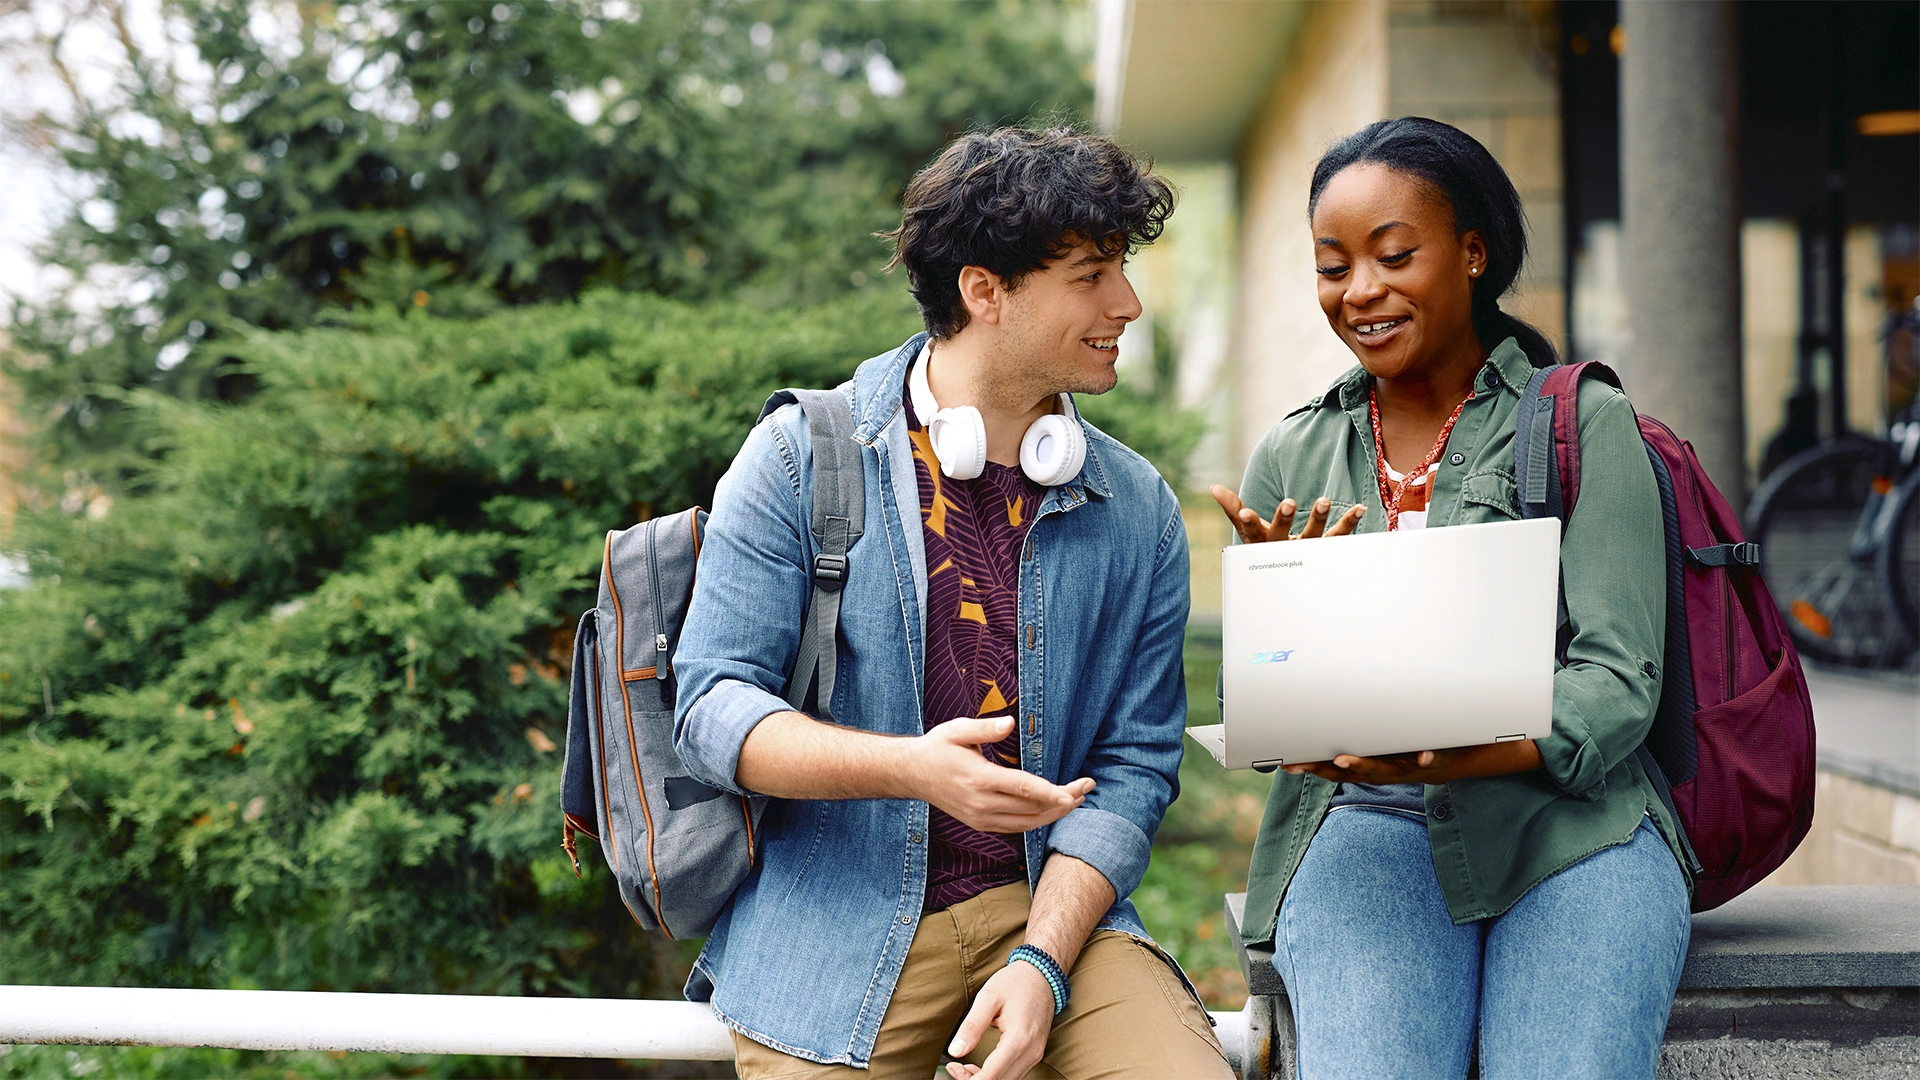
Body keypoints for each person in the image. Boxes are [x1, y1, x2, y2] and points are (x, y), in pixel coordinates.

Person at [672, 126, 1233, 1080]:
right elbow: (711, 710)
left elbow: (1135, 765)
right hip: (835, 922)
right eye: (1091, 276)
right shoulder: (799, 457)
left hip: (1052, 911)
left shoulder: (1138, 508)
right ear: (985, 290)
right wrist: (911, 769)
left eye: (1122, 271)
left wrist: (1043, 960)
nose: (1128, 304)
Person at [1210, 117, 1692, 1080]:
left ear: (1473, 253)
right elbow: (1257, 703)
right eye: (1333, 266)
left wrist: (1468, 748)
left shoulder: (1585, 425)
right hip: (1366, 826)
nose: (1360, 291)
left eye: (1394, 257)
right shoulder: (1294, 454)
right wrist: (1280, 643)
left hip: (1574, 826)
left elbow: (1618, 678)